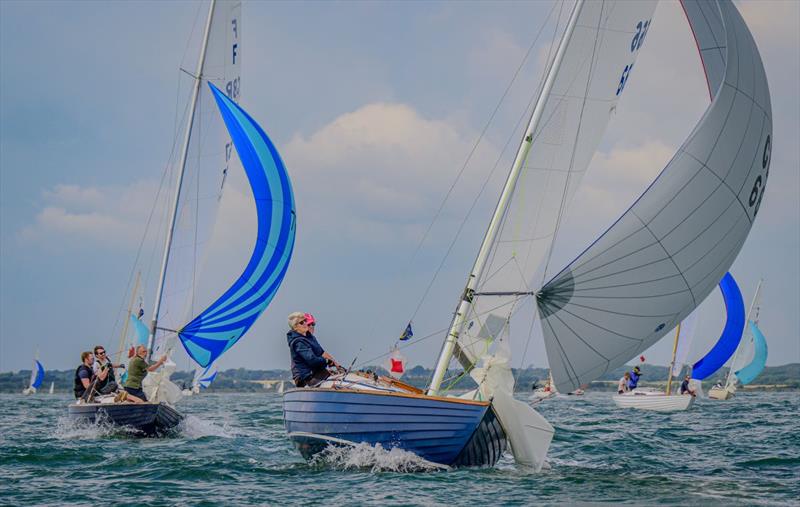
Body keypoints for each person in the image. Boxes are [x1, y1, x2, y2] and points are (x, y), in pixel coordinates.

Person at [287, 312, 338, 387]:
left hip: (316, 373)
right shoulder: (298, 342)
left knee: (339, 376)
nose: (306, 324)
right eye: (302, 322)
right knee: (336, 382)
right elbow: (312, 360)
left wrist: (336, 364)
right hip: (306, 378)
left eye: (305, 321)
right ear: (295, 327)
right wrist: (326, 361)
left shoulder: (310, 337)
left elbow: (322, 353)